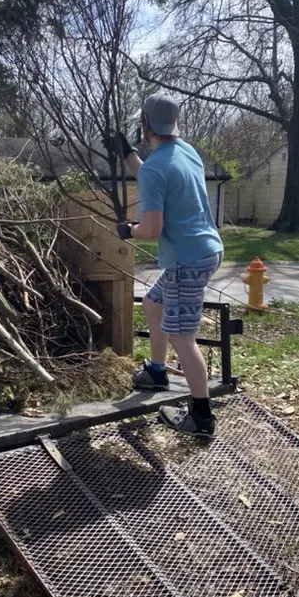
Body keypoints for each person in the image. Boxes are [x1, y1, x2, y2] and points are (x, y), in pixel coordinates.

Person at [116, 92, 223, 439]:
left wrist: (127, 231)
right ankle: (158, 372)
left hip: (186, 261)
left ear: (145, 123)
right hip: (206, 249)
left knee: (182, 337)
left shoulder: (158, 168)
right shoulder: (185, 152)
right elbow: (154, 173)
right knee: (152, 303)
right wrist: (127, 155)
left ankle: (201, 417)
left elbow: (151, 230)